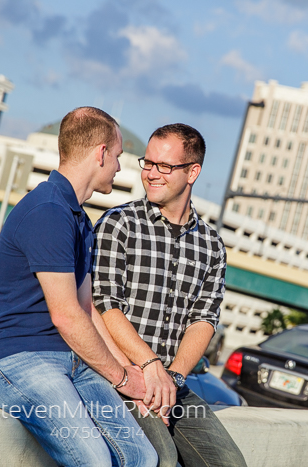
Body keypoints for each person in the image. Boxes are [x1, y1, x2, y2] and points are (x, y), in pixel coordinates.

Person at [0, 107, 157, 467]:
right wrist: (120, 378)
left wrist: (129, 374)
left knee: (142, 457)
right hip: (12, 357)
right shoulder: (47, 210)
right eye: (117, 157)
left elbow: (86, 309)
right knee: (94, 460)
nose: (119, 167)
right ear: (100, 153)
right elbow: (67, 316)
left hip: (71, 360)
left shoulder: (79, 219)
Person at [92, 123, 247, 467]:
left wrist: (172, 378)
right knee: (159, 458)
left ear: (193, 172)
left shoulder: (212, 245)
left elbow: (204, 319)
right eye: (148, 163)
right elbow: (104, 305)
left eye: (165, 166)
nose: (151, 174)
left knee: (229, 464)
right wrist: (149, 369)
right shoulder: (118, 224)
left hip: (171, 382)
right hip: (121, 375)